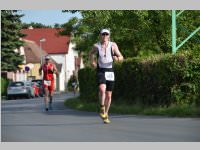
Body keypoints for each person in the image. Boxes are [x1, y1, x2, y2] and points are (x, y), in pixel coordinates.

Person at [89, 29, 123, 124]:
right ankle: (102, 107)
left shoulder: (113, 45)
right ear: (100, 35)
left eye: (106, 34)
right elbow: (91, 53)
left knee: (109, 95)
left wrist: (117, 58)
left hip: (110, 71)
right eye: (103, 34)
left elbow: (121, 57)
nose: (104, 36)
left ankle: (106, 114)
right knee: (102, 89)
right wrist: (92, 62)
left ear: (109, 36)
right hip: (101, 70)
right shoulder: (96, 46)